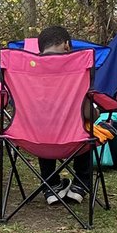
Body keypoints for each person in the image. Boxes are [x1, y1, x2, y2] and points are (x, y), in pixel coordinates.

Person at [33, 24, 91, 205]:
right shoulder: (79, 67)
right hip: (74, 139)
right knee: (86, 121)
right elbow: (88, 108)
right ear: (67, 45)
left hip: (34, 139)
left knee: (43, 122)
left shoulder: (25, 68)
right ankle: (81, 184)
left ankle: (51, 185)